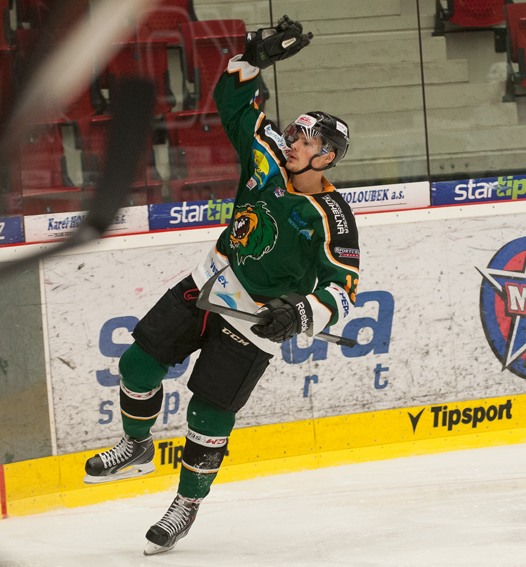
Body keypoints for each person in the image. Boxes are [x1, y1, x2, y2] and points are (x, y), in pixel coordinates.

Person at [83, 16, 360, 555]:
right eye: (294, 133)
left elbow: (343, 289)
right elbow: (234, 105)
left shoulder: (332, 216)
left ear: (326, 156)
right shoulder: (266, 156)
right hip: (210, 281)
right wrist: (250, 59)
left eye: (306, 139)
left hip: (255, 319)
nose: (293, 141)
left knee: (208, 413)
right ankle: (136, 444)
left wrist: (300, 314)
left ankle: (185, 504)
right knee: (138, 363)